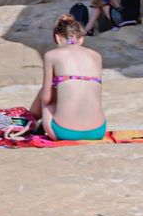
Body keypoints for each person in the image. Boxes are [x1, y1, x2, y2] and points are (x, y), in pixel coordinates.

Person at [28, 13, 107, 141]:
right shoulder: (96, 56)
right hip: (98, 131)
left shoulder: (52, 55)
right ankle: (32, 119)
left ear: (57, 37)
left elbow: (46, 99)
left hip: (65, 133)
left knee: (47, 92)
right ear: (81, 39)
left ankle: (31, 121)